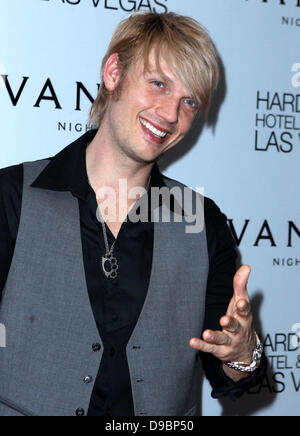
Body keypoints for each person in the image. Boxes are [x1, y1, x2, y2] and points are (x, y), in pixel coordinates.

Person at [0, 12, 266, 417]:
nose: (170, 113)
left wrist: (242, 352)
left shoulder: (203, 221)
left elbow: (231, 372)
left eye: (189, 101)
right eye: (158, 83)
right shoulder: (12, 196)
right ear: (113, 72)